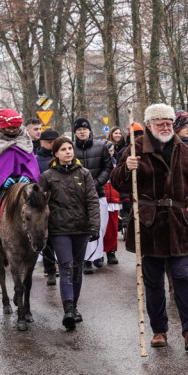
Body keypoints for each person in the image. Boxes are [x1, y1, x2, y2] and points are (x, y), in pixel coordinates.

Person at [110, 103, 188, 352]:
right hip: (149, 223)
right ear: (149, 126)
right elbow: (117, 182)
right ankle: (159, 331)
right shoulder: (135, 149)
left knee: (182, 276)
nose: (166, 128)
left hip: (178, 222)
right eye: (160, 124)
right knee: (154, 281)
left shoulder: (183, 149)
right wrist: (126, 168)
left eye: (169, 123)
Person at [39, 135, 100, 329]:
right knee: (66, 266)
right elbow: (41, 206)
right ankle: (67, 311)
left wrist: (94, 226)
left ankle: (74, 307)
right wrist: (42, 232)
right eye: (63, 149)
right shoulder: (47, 176)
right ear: (56, 153)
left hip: (81, 228)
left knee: (77, 269)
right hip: (59, 229)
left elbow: (92, 200)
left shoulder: (84, 174)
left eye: (70, 148)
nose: (68, 152)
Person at [0, 108, 41, 258]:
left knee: (41, 206)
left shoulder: (25, 141)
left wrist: (26, 177)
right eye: (10, 127)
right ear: (2, 126)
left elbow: (32, 165)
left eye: (15, 127)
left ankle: (44, 238)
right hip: (2, 187)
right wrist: (3, 180)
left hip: (25, 184)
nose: (13, 130)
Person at [72, 117, 112, 273]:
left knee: (99, 226)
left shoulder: (100, 147)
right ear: (75, 132)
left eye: (84, 129)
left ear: (89, 130)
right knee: (85, 227)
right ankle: (87, 259)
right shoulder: (71, 148)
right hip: (78, 194)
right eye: (79, 129)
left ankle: (97, 254)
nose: (82, 132)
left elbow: (107, 167)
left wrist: (97, 182)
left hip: (98, 192)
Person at [34, 128, 60, 283]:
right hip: (43, 202)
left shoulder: (62, 156)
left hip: (62, 201)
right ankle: (50, 270)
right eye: (48, 142)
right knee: (47, 237)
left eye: (53, 142)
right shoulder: (35, 160)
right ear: (41, 142)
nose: (51, 145)